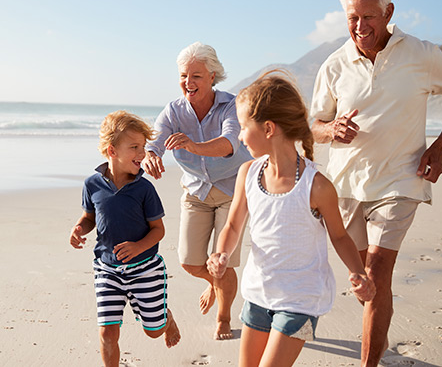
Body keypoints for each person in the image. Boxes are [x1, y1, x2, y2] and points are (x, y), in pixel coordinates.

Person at [310, 0, 442, 367]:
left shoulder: (422, 55)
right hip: (345, 186)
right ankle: (379, 331)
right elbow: (312, 125)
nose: (360, 27)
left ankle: (368, 363)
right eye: (352, 18)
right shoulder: (334, 64)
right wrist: (330, 130)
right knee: (366, 285)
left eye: (368, 18)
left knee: (375, 275)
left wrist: (440, 147)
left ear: (389, 13)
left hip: (401, 179)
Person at [206, 70, 376, 367]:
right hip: (258, 293)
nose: (240, 135)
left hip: (300, 300)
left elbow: (339, 236)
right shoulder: (248, 174)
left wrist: (359, 273)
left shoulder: (317, 186)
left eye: (244, 126)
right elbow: (233, 225)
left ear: (269, 128)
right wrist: (221, 253)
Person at [143, 42, 252, 340]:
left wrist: (192, 145)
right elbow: (154, 140)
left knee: (221, 261)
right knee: (191, 262)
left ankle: (224, 318)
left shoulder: (231, 105)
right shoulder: (174, 111)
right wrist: (151, 155)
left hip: (233, 190)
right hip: (196, 193)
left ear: (213, 76)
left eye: (197, 76)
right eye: (183, 76)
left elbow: (230, 142)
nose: (188, 83)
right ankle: (214, 282)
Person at [69, 110, 180, 367]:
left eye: (143, 146)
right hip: (106, 268)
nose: (142, 154)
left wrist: (138, 246)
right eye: (134, 147)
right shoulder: (92, 185)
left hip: (145, 269)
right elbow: (89, 217)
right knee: (107, 332)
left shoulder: (144, 189)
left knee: (153, 331)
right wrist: (78, 228)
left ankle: (166, 317)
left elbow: (159, 230)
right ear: (112, 151)